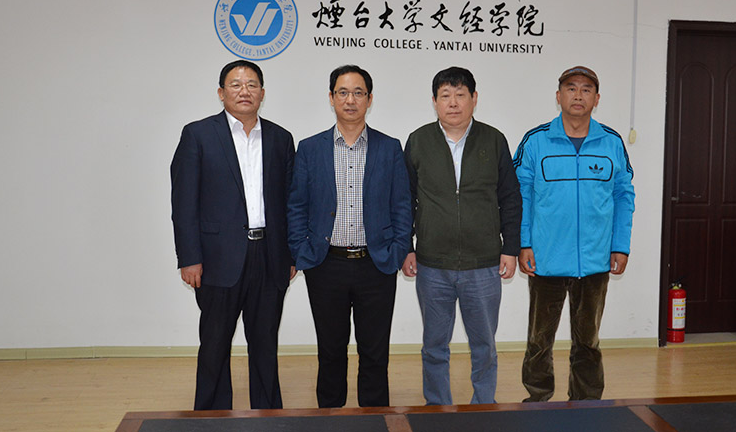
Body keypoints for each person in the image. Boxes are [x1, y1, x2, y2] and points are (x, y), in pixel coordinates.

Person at [170, 60, 295, 410]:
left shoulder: (280, 138)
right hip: (216, 259)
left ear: (262, 93)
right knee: (214, 345)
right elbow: (183, 203)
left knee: (265, 344)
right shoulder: (198, 135)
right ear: (221, 92)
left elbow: (290, 202)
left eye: (252, 85)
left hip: (269, 256)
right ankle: (210, 416)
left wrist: (290, 256)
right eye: (236, 84)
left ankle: (268, 415)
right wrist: (189, 257)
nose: (245, 91)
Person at [287, 64, 412, 408]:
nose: (350, 100)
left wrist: (398, 250)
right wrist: (300, 250)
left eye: (358, 93)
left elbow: (402, 205)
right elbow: (296, 205)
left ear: (369, 99)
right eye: (343, 92)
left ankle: (375, 417)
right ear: (331, 98)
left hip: (377, 264)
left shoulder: (389, 147)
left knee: (375, 352)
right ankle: (331, 418)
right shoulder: (310, 148)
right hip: (326, 264)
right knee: (330, 350)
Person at [513, 65, 635, 402]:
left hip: (595, 261)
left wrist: (620, 245)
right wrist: (524, 243)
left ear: (597, 98)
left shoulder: (611, 143)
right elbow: (521, 196)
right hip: (545, 259)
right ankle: (537, 400)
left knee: (588, 342)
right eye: (571, 88)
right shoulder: (536, 141)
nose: (578, 95)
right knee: (539, 341)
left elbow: (624, 196)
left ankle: (586, 405)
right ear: (558, 96)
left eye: (586, 89)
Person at [402, 66, 521, 405]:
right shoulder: (418, 141)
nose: (453, 103)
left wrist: (510, 248)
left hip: (483, 264)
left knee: (484, 345)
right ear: (435, 101)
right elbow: (405, 199)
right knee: (434, 345)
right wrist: (406, 246)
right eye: (445, 96)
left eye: (460, 95)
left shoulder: (494, 140)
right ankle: (437, 405)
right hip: (432, 264)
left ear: (474, 98)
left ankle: (483, 405)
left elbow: (510, 198)